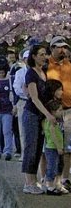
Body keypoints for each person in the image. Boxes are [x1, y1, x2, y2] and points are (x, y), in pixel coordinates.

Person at [22, 44, 56, 195]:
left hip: (41, 115)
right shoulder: (31, 73)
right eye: (41, 54)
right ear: (34, 56)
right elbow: (34, 98)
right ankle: (29, 182)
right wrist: (48, 115)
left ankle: (34, 180)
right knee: (31, 147)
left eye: (45, 54)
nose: (44, 57)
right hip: (32, 114)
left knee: (38, 148)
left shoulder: (44, 72)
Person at [45, 36, 71, 190]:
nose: (62, 49)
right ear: (52, 48)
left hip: (68, 110)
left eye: (64, 47)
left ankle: (65, 178)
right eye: (59, 47)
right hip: (52, 111)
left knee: (68, 148)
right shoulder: (46, 65)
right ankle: (48, 178)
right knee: (50, 146)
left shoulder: (69, 65)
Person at [42, 80, 67, 195]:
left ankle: (56, 184)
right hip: (53, 146)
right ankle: (49, 186)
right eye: (58, 90)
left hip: (57, 146)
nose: (61, 92)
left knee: (58, 165)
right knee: (52, 166)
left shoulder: (54, 119)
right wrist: (58, 147)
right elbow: (52, 134)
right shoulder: (51, 121)